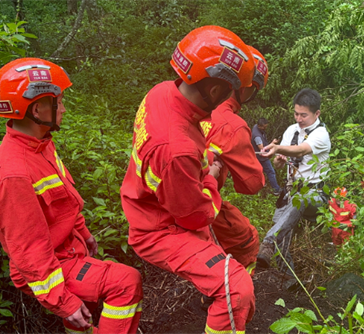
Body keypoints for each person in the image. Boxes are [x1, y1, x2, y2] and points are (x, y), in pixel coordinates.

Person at [0, 58, 143, 334]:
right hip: (48, 265)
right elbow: (29, 252)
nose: (64, 109)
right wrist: (63, 301)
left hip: (66, 248)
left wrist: (85, 233)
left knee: (84, 311)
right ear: (37, 108)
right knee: (126, 282)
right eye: (59, 101)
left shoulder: (40, 145)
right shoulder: (12, 174)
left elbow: (63, 201)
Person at [120, 26, 256, 334]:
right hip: (160, 228)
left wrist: (202, 164)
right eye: (229, 90)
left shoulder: (161, 93)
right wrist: (213, 177)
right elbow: (195, 216)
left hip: (151, 205)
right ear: (215, 90)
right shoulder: (176, 149)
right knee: (237, 288)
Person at [199, 45, 271, 276]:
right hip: (200, 201)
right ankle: (231, 293)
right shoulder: (233, 126)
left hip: (158, 201)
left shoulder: (188, 106)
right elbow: (251, 185)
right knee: (247, 239)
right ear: (245, 88)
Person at [256, 88, 331, 286]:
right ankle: (289, 276)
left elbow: (301, 149)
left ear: (317, 114)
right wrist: (280, 160)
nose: (299, 119)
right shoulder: (291, 130)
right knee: (283, 227)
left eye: (303, 115)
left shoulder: (321, 134)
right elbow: (285, 160)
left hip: (315, 195)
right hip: (291, 191)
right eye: (296, 113)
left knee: (301, 199)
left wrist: (278, 148)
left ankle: (268, 243)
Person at [252, 117, 282, 195]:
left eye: (266, 126)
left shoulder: (256, 127)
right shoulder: (257, 136)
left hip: (257, 156)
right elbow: (262, 149)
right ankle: (276, 190)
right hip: (262, 157)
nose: (265, 128)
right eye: (264, 127)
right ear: (259, 126)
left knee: (259, 171)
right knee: (270, 172)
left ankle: (261, 185)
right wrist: (273, 143)